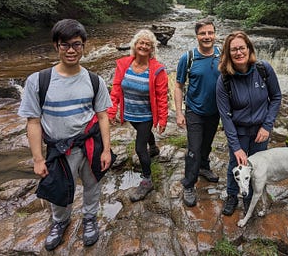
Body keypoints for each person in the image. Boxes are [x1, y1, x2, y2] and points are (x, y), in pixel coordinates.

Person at [18, 19, 114, 251]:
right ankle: (60, 222)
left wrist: (107, 149)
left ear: (84, 46)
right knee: (58, 187)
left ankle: (90, 218)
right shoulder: (39, 81)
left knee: (92, 184)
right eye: (65, 45)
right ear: (56, 46)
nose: (71, 50)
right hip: (59, 149)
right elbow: (33, 122)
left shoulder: (94, 81)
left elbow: (103, 116)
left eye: (77, 44)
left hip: (90, 145)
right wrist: (38, 158)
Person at [216, 31, 282, 216]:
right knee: (234, 163)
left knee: (257, 166)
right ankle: (231, 195)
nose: (238, 53)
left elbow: (276, 97)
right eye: (233, 50)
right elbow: (225, 116)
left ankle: (251, 196)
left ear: (249, 49)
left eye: (241, 48)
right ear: (228, 54)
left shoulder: (264, 69)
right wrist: (235, 146)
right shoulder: (224, 80)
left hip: (261, 131)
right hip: (239, 131)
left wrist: (267, 126)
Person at [108, 29, 168, 202]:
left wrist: (163, 118)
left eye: (147, 44)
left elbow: (162, 96)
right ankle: (154, 147)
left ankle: (147, 180)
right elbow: (116, 89)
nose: (143, 46)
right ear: (134, 45)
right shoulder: (123, 64)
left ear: (152, 49)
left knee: (140, 148)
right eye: (141, 43)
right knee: (144, 134)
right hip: (129, 113)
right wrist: (112, 110)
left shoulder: (157, 70)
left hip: (147, 115)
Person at [174, 19, 221, 207]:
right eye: (203, 33)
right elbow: (178, 86)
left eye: (210, 33)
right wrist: (179, 112)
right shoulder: (188, 57)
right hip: (194, 110)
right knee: (194, 148)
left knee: (207, 143)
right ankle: (189, 184)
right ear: (197, 36)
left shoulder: (222, 55)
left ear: (215, 34)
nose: (207, 37)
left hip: (215, 110)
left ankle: (204, 167)